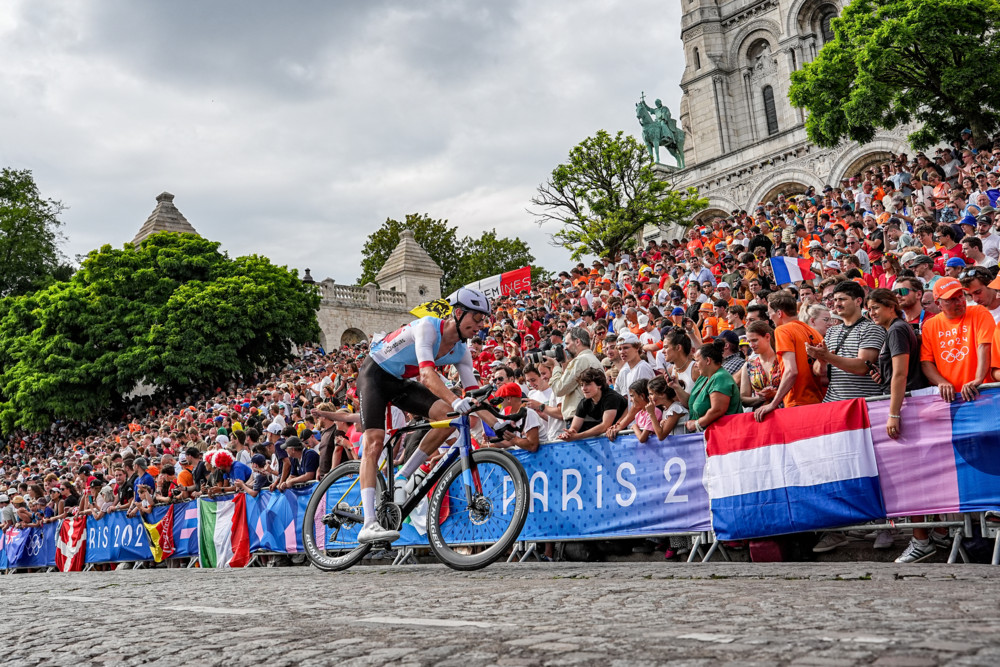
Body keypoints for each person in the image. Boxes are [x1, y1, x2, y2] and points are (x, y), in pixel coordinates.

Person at [354, 288, 490, 543]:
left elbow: (475, 400)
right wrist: (455, 399)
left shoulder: (462, 351)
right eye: (477, 318)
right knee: (373, 442)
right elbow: (427, 377)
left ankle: (404, 476)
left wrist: (499, 423)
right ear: (458, 314)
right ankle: (369, 523)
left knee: (452, 418)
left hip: (401, 383)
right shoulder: (428, 326)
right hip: (375, 375)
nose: (481, 325)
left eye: (484, 320)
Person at [807, 281, 886, 402]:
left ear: (858, 301)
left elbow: (862, 367)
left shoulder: (872, 328)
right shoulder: (831, 331)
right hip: (832, 403)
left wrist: (828, 356)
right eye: (835, 300)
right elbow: (818, 372)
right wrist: (822, 360)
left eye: (842, 299)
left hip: (862, 404)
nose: (836, 304)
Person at [921, 278, 993, 403]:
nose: (960, 302)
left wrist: (978, 379)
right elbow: (926, 362)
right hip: (953, 399)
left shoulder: (979, 312)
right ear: (938, 304)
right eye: (952, 299)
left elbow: (984, 346)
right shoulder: (929, 325)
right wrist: (942, 382)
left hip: (983, 393)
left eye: (961, 296)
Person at [755, 291, 824, 421]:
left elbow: (791, 371)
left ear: (780, 313)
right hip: (818, 400)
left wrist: (773, 404)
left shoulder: (782, 330)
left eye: (770, 313)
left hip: (798, 402)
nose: (770, 317)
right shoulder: (814, 331)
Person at [545, 327, 605, 426]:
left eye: (567, 343)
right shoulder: (592, 359)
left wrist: (555, 367)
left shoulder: (581, 360)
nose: (565, 348)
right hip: (589, 417)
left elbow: (559, 389)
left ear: (577, 341)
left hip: (581, 419)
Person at [682, 341, 743, 431]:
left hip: (723, 434)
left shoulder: (720, 377)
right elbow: (690, 402)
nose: (695, 364)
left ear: (708, 360)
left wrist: (697, 424)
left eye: (697, 361)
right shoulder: (703, 378)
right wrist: (675, 386)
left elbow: (717, 410)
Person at [558, 368, 627, 442]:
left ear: (599, 385)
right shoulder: (584, 402)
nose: (583, 388)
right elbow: (574, 428)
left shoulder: (610, 397)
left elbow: (604, 426)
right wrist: (569, 434)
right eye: (582, 385)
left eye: (587, 384)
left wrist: (578, 436)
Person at [740, 320, 782, 409]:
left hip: (784, 412)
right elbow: (743, 399)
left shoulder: (783, 360)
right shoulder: (748, 366)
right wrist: (760, 398)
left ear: (767, 337)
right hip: (760, 416)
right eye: (749, 341)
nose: (751, 345)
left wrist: (776, 394)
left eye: (754, 340)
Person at [490, 382, 541, 453]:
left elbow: (533, 446)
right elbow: (510, 443)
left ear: (508, 399)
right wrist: (489, 442)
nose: (500, 403)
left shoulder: (529, 413)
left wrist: (512, 438)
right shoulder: (508, 413)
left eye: (501, 399)